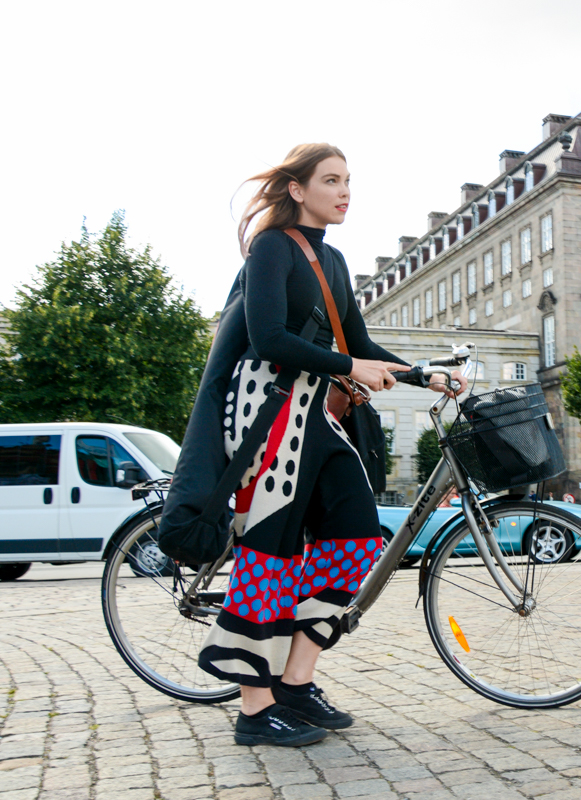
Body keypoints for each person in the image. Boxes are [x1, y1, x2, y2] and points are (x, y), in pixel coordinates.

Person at [193, 144, 463, 748]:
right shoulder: (272, 247)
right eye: (331, 180)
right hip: (267, 411)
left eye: (348, 181)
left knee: (357, 537)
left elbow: (359, 342)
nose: (345, 192)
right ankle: (254, 709)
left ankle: (295, 680)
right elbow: (268, 339)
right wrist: (349, 365)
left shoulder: (334, 259)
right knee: (270, 552)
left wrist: (424, 375)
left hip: (316, 411)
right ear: (297, 189)